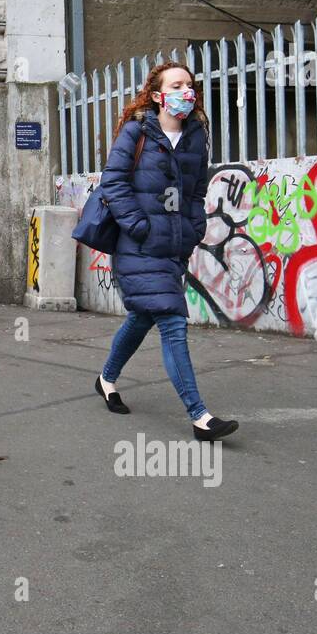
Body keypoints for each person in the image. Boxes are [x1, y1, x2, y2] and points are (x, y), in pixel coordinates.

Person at [93, 61, 239, 441]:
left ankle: (106, 378)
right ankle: (200, 417)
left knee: (142, 317)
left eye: (189, 85)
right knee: (173, 321)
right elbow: (114, 183)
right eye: (176, 85)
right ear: (158, 95)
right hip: (138, 245)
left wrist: (194, 228)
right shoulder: (136, 131)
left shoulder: (195, 137)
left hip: (174, 245)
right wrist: (138, 226)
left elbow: (195, 192)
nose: (185, 91)